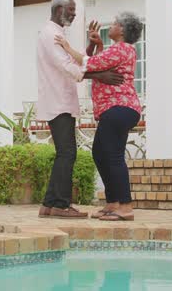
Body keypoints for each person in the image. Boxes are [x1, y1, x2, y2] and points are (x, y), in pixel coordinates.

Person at [36, 0, 125, 219]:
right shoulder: (50, 34)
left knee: (63, 153)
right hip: (58, 101)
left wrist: (90, 46)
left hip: (61, 100)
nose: (75, 14)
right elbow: (68, 67)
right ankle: (61, 205)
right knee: (67, 153)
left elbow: (76, 61)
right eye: (71, 10)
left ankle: (49, 204)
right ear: (58, 10)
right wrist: (101, 75)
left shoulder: (57, 34)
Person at [55, 12, 144, 221]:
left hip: (119, 108)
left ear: (121, 30)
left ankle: (125, 207)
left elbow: (90, 64)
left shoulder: (122, 48)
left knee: (112, 156)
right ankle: (113, 202)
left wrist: (67, 48)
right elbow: (101, 62)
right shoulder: (120, 50)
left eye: (113, 23)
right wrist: (97, 44)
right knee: (100, 153)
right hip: (117, 110)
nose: (110, 25)